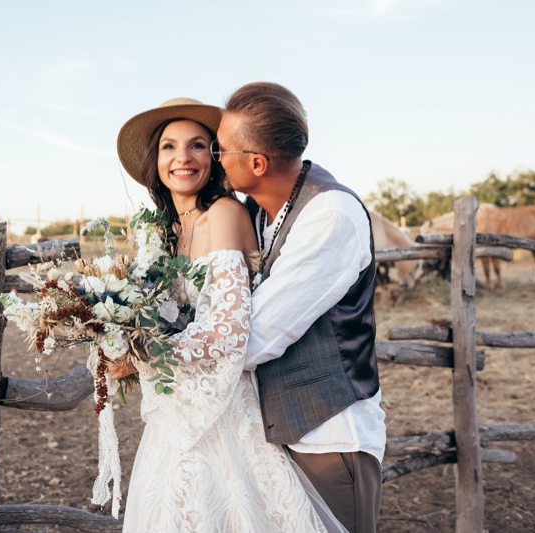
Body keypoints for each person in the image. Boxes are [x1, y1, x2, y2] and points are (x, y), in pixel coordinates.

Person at [112, 98, 346, 532]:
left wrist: (143, 353)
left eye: (197, 145)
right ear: (155, 160)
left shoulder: (223, 214)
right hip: (173, 409)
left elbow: (227, 332)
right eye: (169, 147)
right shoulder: (158, 230)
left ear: (215, 157)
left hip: (222, 410)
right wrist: (109, 334)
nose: (182, 158)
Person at [214, 82, 386, 533]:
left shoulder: (331, 214)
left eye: (221, 150)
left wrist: (166, 352)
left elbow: (259, 335)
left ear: (256, 162)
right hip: (275, 435)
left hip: (328, 437)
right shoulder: (256, 214)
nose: (216, 159)